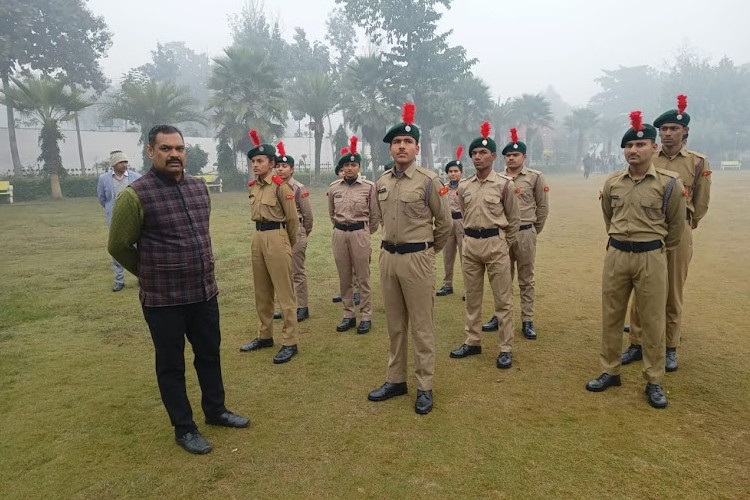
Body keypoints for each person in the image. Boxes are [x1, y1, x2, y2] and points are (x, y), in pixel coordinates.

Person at [108, 124, 249, 454]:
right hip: (163, 300)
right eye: (166, 148)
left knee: (209, 354)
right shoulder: (135, 195)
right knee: (172, 365)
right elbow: (118, 245)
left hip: (204, 293)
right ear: (150, 151)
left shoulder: (199, 188)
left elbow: (201, 233)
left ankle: (216, 410)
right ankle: (184, 428)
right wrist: (149, 271)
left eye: (179, 148)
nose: (174, 154)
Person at [586, 112, 686, 409]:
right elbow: (609, 217)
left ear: (653, 149)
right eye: (629, 146)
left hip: (651, 257)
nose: (633, 150)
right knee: (612, 316)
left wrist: (653, 248)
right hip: (616, 254)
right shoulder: (613, 182)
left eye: (640, 145)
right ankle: (610, 370)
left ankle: (654, 380)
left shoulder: (670, 184)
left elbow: (676, 227)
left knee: (653, 320)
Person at [367, 102, 452, 415]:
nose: (401, 146)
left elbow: (444, 225)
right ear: (391, 149)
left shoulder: (429, 181)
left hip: (418, 259)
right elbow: (378, 220)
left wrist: (427, 251)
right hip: (388, 258)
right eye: (396, 142)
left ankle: (424, 386)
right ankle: (396, 379)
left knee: (421, 325)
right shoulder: (382, 182)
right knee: (395, 324)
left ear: (416, 147)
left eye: (407, 142)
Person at [622, 95, 711, 372]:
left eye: (674, 128)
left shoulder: (697, 162)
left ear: (685, 131)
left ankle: (670, 346)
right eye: (664, 129)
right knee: (641, 285)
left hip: (678, 230)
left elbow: (701, 203)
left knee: (672, 290)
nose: (668, 133)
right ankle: (636, 342)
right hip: (648, 227)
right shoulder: (650, 155)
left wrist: (685, 224)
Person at [449, 121, 520, 369]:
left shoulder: (504, 185)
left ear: (492, 156)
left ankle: (505, 347)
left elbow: (513, 220)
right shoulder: (464, 186)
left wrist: (503, 243)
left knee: (503, 299)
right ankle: (473, 340)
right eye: (474, 154)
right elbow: (465, 212)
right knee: (472, 298)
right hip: (470, 245)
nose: (477, 157)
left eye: (482, 153)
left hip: (495, 244)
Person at [239, 130, 300, 364]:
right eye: (253, 161)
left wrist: (287, 244)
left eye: (260, 161)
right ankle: (264, 335)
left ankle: (290, 341)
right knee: (262, 291)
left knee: (285, 293)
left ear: (272, 163)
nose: (255, 165)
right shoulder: (253, 186)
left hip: (277, 235)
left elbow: (293, 220)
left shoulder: (281, 187)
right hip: (258, 237)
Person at [483, 129, 549, 339]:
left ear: (524, 157)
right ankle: (500, 315)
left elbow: (542, 207)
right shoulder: (498, 179)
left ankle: (527, 320)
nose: (511, 158)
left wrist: (531, 231)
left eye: (515, 155)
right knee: (501, 278)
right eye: (508, 156)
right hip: (501, 234)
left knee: (526, 278)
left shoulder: (535, 177)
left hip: (525, 233)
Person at [327, 136, 380, 334]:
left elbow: (375, 215)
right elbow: (332, 213)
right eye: (346, 165)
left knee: (363, 277)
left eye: (353, 164)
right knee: (344, 276)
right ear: (342, 167)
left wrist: (366, 231)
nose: (350, 168)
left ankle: (365, 316)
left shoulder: (369, 187)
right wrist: (341, 227)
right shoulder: (334, 188)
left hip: (360, 233)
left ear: (359, 167)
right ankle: (348, 314)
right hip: (340, 233)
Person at [271, 142, 314, 323]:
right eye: (278, 166)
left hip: (297, 231)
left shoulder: (298, 188)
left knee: (297, 271)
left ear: (292, 169)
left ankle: (302, 307)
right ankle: (288, 307)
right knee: (284, 273)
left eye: (284, 166)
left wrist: (302, 232)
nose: (280, 169)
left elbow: (308, 215)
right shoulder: (273, 187)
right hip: (281, 233)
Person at [97, 150, 141, 291]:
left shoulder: (136, 177)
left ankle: (142, 277)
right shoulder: (104, 179)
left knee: (139, 247)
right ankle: (119, 281)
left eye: (126, 162)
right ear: (114, 164)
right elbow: (102, 198)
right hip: (115, 219)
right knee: (117, 248)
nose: (125, 164)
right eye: (121, 162)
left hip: (135, 218)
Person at [436, 146, 465, 298]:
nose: (453, 174)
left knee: (465, 256)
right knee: (447, 256)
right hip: (448, 223)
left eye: (456, 171)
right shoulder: (443, 189)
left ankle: (469, 288)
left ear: (461, 172)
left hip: (462, 223)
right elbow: (438, 204)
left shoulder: (466, 187)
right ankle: (448, 285)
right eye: (450, 171)